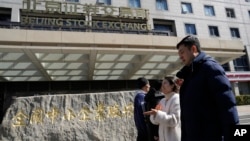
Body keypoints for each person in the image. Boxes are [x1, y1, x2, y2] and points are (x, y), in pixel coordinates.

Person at [176, 35, 239, 141]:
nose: (180, 56)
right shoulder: (190, 75)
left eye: (182, 52)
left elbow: (227, 107)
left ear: (193, 49)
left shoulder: (210, 68)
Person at [144, 76, 181, 141]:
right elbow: (155, 121)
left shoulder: (177, 98)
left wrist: (157, 114)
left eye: (165, 83)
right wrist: (154, 115)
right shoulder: (162, 100)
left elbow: (174, 120)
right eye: (162, 83)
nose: (162, 85)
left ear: (172, 85)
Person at [134, 77, 151, 141]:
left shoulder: (138, 96)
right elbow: (143, 114)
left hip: (141, 129)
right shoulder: (141, 97)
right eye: (149, 84)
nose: (150, 86)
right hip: (144, 129)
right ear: (146, 86)